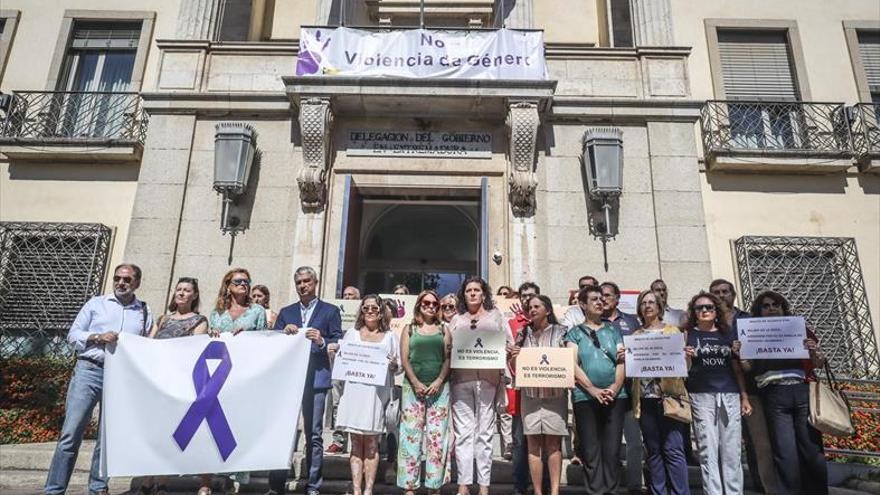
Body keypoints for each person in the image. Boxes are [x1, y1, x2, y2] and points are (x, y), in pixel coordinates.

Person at [45, 264, 153, 495]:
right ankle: (54, 490)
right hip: (89, 371)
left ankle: (98, 488)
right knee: (71, 434)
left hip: (121, 378)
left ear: (137, 283)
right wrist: (96, 337)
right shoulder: (96, 304)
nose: (121, 283)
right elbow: (73, 335)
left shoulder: (143, 311)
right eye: (117, 278)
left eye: (126, 279)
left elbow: (147, 345)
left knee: (106, 439)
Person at [742, 291, 827, 495]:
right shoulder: (753, 333)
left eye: (776, 304)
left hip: (801, 390)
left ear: (783, 308)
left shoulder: (797, 329)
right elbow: (747, 367)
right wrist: (741, 354)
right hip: (774, 394)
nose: (771, 308)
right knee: (784, 450)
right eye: (766, 305)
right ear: (759, 311)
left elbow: (818, 363)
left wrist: (814, 351)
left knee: (811, 450)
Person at [269, 267, 343, 495]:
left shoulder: (330, 311)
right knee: (283, 432)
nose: (302, 285)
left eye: (307, 281)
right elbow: (272, 342)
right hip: (289, 381)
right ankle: (276, 485)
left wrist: (321, 341)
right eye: (299, 282)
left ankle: (312, 486)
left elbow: (337, 340)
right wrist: (283, 333)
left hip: (317, 378)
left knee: (314, 434)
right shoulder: (286, 312)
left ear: (316, 282)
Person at [709, 279, 778, 495]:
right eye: (716, 293)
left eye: (725, 292)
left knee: (759, 442)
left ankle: (766, 487)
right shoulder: (709, 323)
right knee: (724, 443)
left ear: (733, 295)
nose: (721, 296)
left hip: (751, 389)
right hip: (718, 388)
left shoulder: (748, 320)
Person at [684, 291, 752, 495]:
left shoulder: (727, 333)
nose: (704, 311)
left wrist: (744, 396)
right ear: (694, 312)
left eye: (709, 307)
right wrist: (685, 357)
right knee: (708, 451)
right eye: (699, 308)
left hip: (729, 394)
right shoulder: (688, 334)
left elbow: (736, 368)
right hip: (701, 396)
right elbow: (684, 371)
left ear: (716, 311)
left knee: (731, 452)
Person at [449, 277, 512, 495]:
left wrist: (506, 353)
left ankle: (484, 485)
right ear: (463, 295)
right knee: (464, 434)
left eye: (477, 290)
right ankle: (464, 484)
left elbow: (509, 344)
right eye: (469, 290)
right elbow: (448, 347)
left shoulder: (496, 317)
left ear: (484, 294)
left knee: (484, 433)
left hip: (489, 381)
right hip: (461, 381)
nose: (473, 293)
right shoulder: (456, 319)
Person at [146, 277, 208, 495]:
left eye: (187, 290)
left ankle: (175, 481)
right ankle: (152, 480)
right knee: (156, 431)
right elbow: (148, 345)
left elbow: (194, 350)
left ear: (194, 295)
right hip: (158, 382)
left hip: (180, 383)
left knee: (176, 432)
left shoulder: (199, 321)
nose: (181, 293)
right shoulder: (163, 319)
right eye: (179, 289)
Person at [624, 290, 689, 495]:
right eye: (644, 303)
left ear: (660, 307)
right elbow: (631, 369)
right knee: (653, 451)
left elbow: (683, 368)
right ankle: (658, 491)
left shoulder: (673, 332)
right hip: (645, 400)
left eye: (652, 302)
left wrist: (686, 356)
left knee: (673, 450)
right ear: (639, 309)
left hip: (669, 399)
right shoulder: (635, 336)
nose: (648, 306)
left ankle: (680, 492)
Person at [335, 295, 400, 495]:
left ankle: (368, 490)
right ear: (361, 311)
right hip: (354, 392)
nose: (370, 311)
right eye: (366, 308)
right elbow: (340, 361)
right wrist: (335, 353)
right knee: (355, 443)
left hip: (376, 396)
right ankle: (356, 489)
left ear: (381, 312)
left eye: (374, 308)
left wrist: (392, 365)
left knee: (372, 443)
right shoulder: (351, 334)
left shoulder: (390, 336)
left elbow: (398, 368)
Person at [566, 285, 626, 495]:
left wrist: (614, 387)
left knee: (612, 451)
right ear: (583, 304)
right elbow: (573, 364)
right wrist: (593, 390)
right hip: (585, 398)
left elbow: (621, 362)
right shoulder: (574, 333)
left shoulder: (613, 330)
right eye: (594, 299)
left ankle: (611, 491)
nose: (600, 302)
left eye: (601, 299)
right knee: (591, 452)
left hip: (615, 397)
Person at [509, 295, 569, 495]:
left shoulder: (562, 333)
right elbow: (514, 367)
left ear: (548, 310)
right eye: (530, 307)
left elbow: (568, 361)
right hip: (530, 395)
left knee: (553, 444)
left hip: (555, 395)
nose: (532, 309)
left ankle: (554, 491)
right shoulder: (523, 333)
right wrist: (514, 356)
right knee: (533, 444)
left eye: (537, 306)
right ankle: (537, 491)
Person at [397, 290, 452, 495]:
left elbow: (448, 359)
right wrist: (415, 382)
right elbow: (405, 358)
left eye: (434, 304)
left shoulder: (444, 329)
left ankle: (434, 486)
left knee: (437, 439)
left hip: (439, 389)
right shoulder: (409, 329)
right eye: (426, 303)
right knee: (410, 437)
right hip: (413, 388)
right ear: (419, 304)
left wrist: (439, 381)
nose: (430, 306)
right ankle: (409, 487)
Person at [599, 282, 643, 493]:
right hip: (604, 391)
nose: (604, 299)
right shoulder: (595, 322)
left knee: (634, 442)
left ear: (617, 298)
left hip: (630, 390)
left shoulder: (632, 321)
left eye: (608, 295)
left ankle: (635, 485)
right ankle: (610, 486)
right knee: (609, 444)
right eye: (601, 295)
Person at [506, 282, 541, 495]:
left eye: (532, 295)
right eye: (524, 296)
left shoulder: (547, 323)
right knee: (519, 442)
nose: (528, 299)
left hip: (544, 390)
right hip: (519, 392)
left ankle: (542, 486)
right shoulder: (510, 323)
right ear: (519, 299)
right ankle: (519, 487)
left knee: (543, 442)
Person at [327, 286, 362, 455]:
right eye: (345, 295)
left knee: (357, 402)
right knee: (336, 403)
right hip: (339, 365)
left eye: (351, 296)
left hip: (358, 367)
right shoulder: (336, 314)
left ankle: (357, 441)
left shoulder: (362, 318)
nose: (347, 298)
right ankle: (339, 441)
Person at [208, 268, 267, 335]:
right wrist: (212, 332)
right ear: (228, 285)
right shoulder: (217, 312)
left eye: (246, 281)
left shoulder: (258, 311)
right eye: (238, 281)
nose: (242, 283)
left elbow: (263, 338)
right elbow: (211, 334)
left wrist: (247, 333)